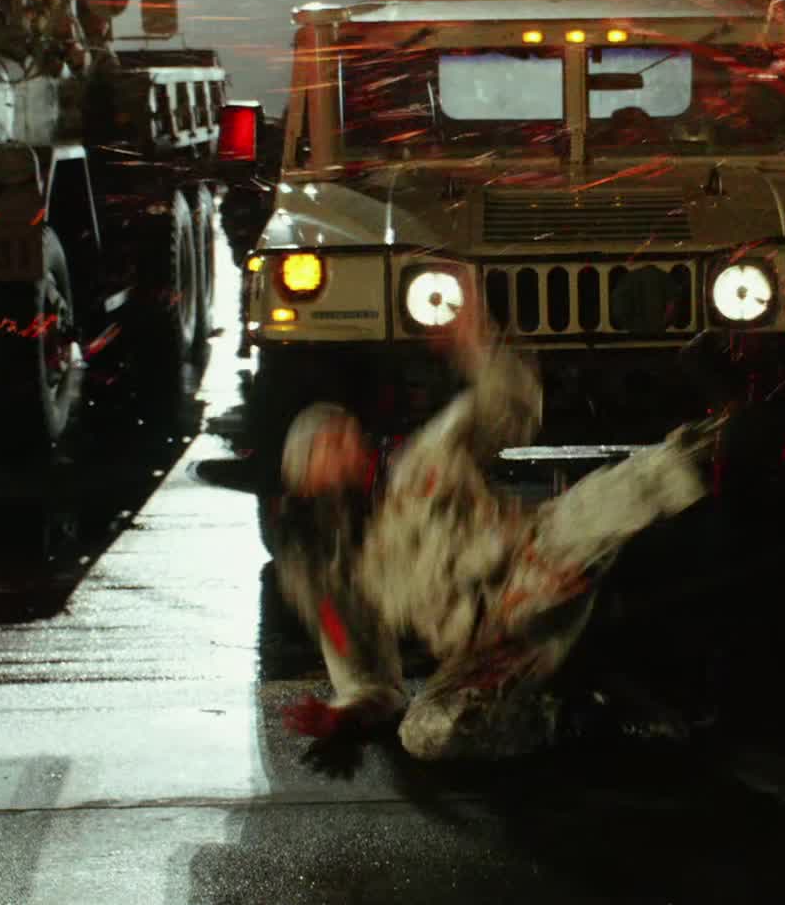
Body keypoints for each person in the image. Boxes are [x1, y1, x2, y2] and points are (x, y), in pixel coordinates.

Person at [269, 313, 747, 760]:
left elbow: (508, 405)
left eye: (342, 437)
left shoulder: (424, 460)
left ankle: (720, 441)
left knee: (609, 497)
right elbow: (371, 683)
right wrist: (344, 715)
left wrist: (477, 341)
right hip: (495, 645)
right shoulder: (334, 577)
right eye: (323, 451)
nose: (342, 451)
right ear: (304, 480)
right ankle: (578, 719)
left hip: (544, 556)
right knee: (427, 733)